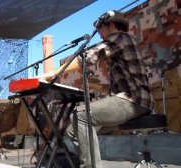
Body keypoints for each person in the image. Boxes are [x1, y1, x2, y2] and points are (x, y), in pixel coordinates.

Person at [41, 10, 154, 168]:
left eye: (101, 29)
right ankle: (91, 162)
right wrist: (94, 85)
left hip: (134, 100)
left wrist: (49, 75)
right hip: (135, 99)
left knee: (78, 115)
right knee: (74, 130)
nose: (100, 34)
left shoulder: (121, 37)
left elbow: (88, 56)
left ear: (112, 25)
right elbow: (119, 86)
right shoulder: (125, 44)